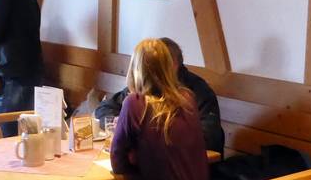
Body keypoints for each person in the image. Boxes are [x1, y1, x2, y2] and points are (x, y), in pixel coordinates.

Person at [109, 38, 209, 180]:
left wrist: (136, 158)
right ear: (169, 66)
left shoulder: (135, 102)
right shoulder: (187, 97)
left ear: (136, 68)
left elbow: (118, 163)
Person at [95, 37, 224, 154]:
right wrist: (120, 122)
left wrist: (140, 133)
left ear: (173, 64)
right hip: (155, 161)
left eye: (156, 63)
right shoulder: (146, 85)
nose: (150, 69)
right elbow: (104, 108)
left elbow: (210, 138)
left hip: (190, 162)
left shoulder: (194, 92)